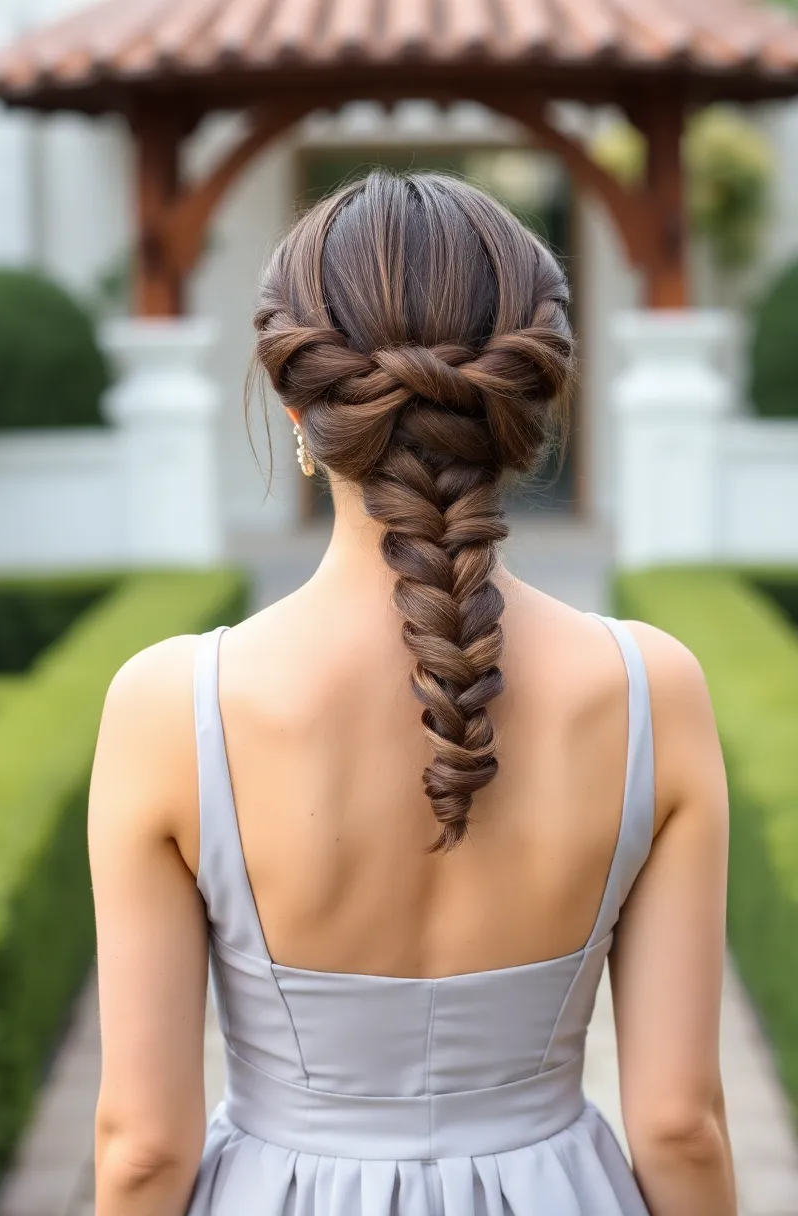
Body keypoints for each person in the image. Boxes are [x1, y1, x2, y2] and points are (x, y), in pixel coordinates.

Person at [89, 171, 736, 1216]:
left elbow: (141, 1151)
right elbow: (678, 1125)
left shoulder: (168, 705)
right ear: (527, 397)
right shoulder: (652, 689)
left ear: (297, 406)